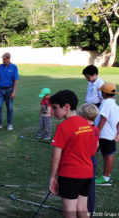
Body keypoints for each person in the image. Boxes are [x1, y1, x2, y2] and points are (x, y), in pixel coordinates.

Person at [49, 90, 94, 218]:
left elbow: (55, 155)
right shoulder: (86, 124)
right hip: (87, 173)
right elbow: (91, 150)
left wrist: (53, 177)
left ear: (67, 107)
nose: (53, 112)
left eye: (55, 108)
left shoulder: (63, 127)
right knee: (82, 209)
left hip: (70, 175)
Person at [94, 82, 119, 185]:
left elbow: (103, 119)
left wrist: (97, 133)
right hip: (110, 134)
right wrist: (117, 133)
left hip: (104, 135)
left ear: (104, 93)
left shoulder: (106, 103)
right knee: (107, 155)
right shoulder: (115, 105)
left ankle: (105, 178)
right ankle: (106, 175)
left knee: (108, 155)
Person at [78, 103, 100, 214]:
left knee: (80, 187)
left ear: (85, 117)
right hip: (92, 160)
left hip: (84, 160)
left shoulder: (83, 130)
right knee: (90, 187)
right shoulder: (95, 129)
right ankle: (89, 211)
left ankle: (80, 210)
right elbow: (96, 145)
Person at [0, 52, 19, 131]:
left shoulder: (14, 67)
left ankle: (9, 124)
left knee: (9, 108)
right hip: (0, 90)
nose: (3, 61)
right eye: (2, 59)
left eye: (4, 59)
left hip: (9, 90)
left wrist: (14, 92)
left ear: (9, 58)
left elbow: (16, 80)